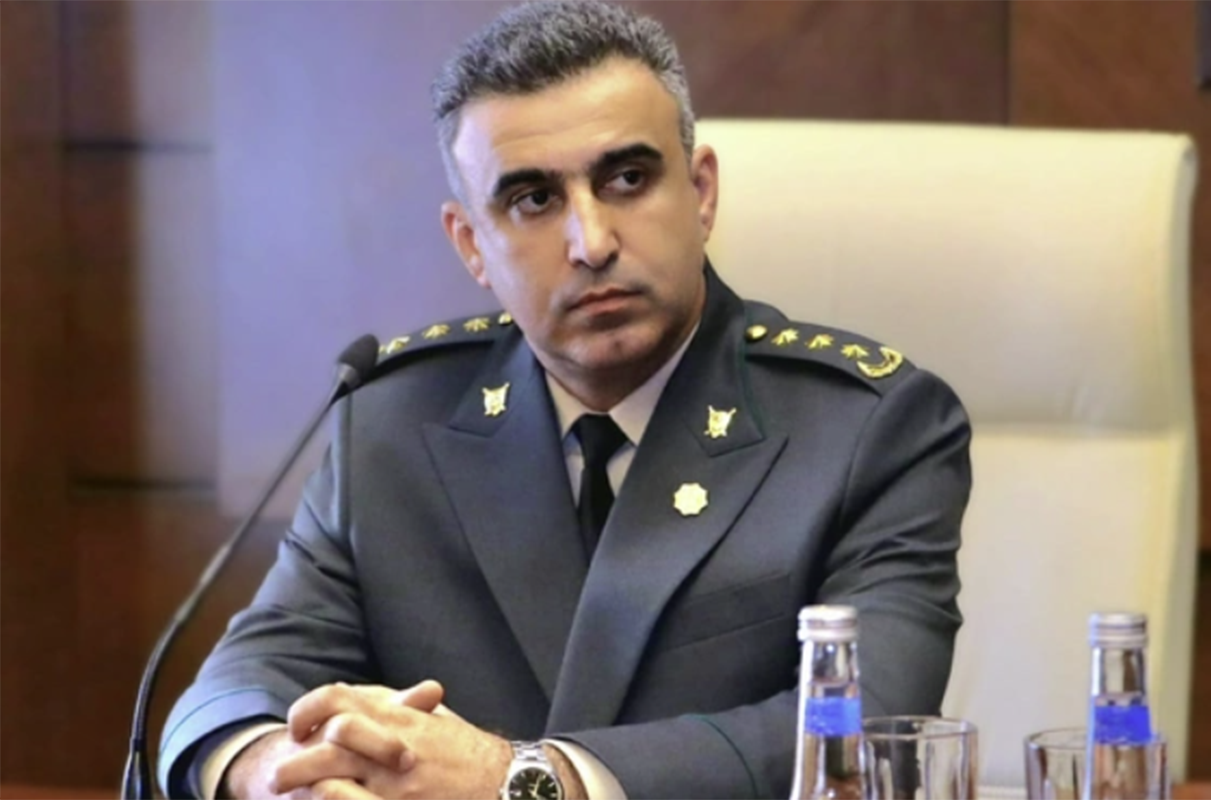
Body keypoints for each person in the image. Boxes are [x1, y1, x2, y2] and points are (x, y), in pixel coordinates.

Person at [159, 1, 972, 798]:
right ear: (472, 246)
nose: (592, 242)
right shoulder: (390, 423)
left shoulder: (868, 428)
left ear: (701, 193)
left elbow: (865, 724)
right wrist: (270, 769)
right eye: (534, 200)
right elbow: (246, 679)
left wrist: (519, 780)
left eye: (627, 179)